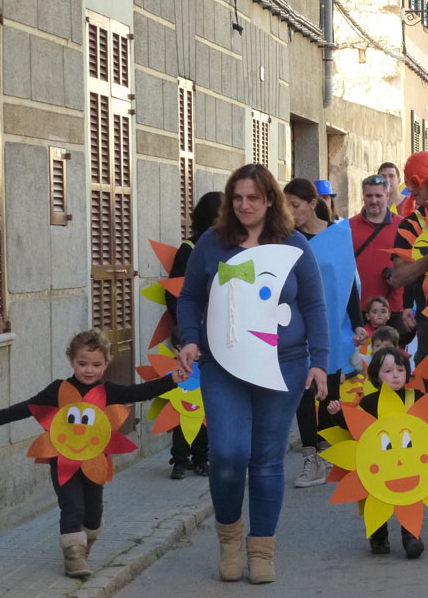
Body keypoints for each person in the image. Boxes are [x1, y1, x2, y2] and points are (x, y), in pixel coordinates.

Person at [176, 164, 329, 584]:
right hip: (223, 364)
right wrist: (189, 339)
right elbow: (189, 298)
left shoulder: (295, 243)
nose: (245, 205)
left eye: (254, 198)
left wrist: (319, 361)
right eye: (238, 198)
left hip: (283, 364)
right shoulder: (211, 243)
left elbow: (314, 305)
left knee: (266, 459)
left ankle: (261, 550)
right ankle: (229, 539)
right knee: (227, 455)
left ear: (270, 201)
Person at [0, 329, 186, 577]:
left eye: (96, 365)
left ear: (106, 364)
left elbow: (139, 392)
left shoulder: (109, 391)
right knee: (72, 506)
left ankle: (83, 544)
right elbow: (29, 407)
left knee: (93, 514)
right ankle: (73, 556)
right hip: (63, 461)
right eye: (82, 363)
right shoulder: (58, 390)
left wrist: (171, 380)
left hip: (94, 462)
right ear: (72, 361)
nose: (89, 370)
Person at [284, 178, 367, 488]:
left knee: (329, 393)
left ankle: (328, 452)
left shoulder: (339, 236)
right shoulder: (285, 240)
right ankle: (310, 458)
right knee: (304, 392)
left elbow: (348, 286)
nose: (290, 212)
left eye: (295, 205)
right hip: (296, 328)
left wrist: (357, 323)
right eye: (286, 206)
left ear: (312, 204)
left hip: (331, 327)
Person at [326, 347, 425, 559]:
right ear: (377, 377)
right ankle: (379, 535)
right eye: (388, 371)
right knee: (376, 496)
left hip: (409, 461)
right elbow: (354, 426)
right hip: (380, 463)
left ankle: (411, 535)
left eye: (400, 370)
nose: (395, 375)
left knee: (411, 494)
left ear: (408, 372)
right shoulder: (369, 402)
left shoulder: (416, 397)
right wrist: (338, 414)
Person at [165, 191, 222, 480]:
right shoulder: (189, 248)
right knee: (186, 397)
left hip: (218, 338)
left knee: (209, 400)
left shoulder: (228, 247)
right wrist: (185, 334)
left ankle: (202, 456)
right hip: (191, 339)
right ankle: (181, 458)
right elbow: (175, 295)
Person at [390, 151, 428, 364]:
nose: (411, 189)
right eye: (408, 182)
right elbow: (398, 277)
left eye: (415, 182)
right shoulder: (409, 225)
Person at [349, 175, 411, 343]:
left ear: (388, 196)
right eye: (369, 196)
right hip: (358, 310)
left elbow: (413, 266)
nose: (373, 201)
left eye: (378, 195)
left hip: (393, 309)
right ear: (363, 196)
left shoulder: (404, 226)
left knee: (392, 358)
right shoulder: (348, 227)